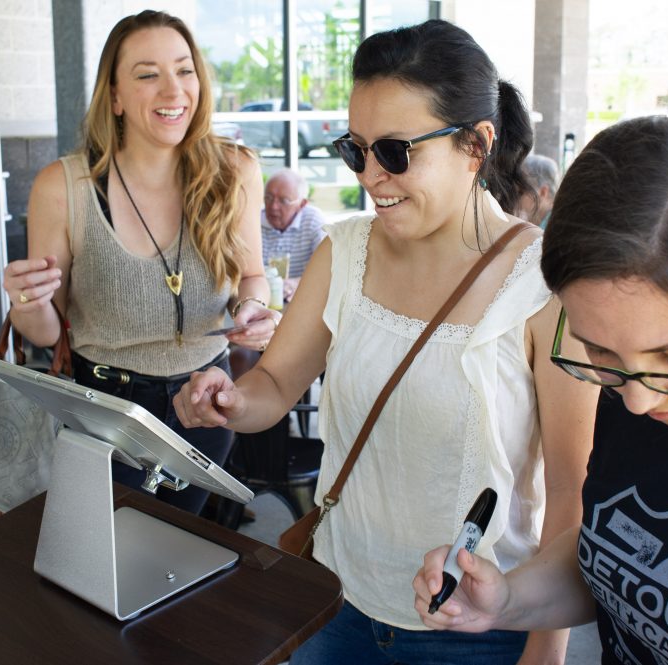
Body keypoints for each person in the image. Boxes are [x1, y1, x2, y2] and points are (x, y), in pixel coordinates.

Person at [174, 19, 598, 664]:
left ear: (476, 144)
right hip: (334, 597)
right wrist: (231, 399)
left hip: (475, 626)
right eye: (356, 150)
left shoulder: (542, 285)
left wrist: (546, 648)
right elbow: (277, 383)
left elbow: (571, 489)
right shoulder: (342, 252)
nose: (372, 176)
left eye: (397, 151)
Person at [413, 115, 668, 665]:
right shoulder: (635, 387)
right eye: (600, 353)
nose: (639, 401)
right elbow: (615, 545)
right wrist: (509, 600)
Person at [0, 10, 277, 516]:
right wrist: (25, 299)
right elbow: (43, 332)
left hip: (203, 402)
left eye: (185, 70)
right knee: (108, 558)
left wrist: (253, 309)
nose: (174, 91)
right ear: (115, 97)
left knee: (181, 555)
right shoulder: (64, 187)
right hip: (104, 410)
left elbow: (251, 276)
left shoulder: (235, 170)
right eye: (148, 75)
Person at [261, 168, 328, 301]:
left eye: (283, 201)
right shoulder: (253, 222)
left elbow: (328, 268)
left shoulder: (313, 220)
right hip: (262, 299)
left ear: (302, 204)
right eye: (268, 198)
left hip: (302, 300)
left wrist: (296, 283)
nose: (273, 206)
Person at [514, 153, 559, 228]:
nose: (515, 196)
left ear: (543, 192)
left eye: (520, 192)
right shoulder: (535, 220)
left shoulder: (557, 226)